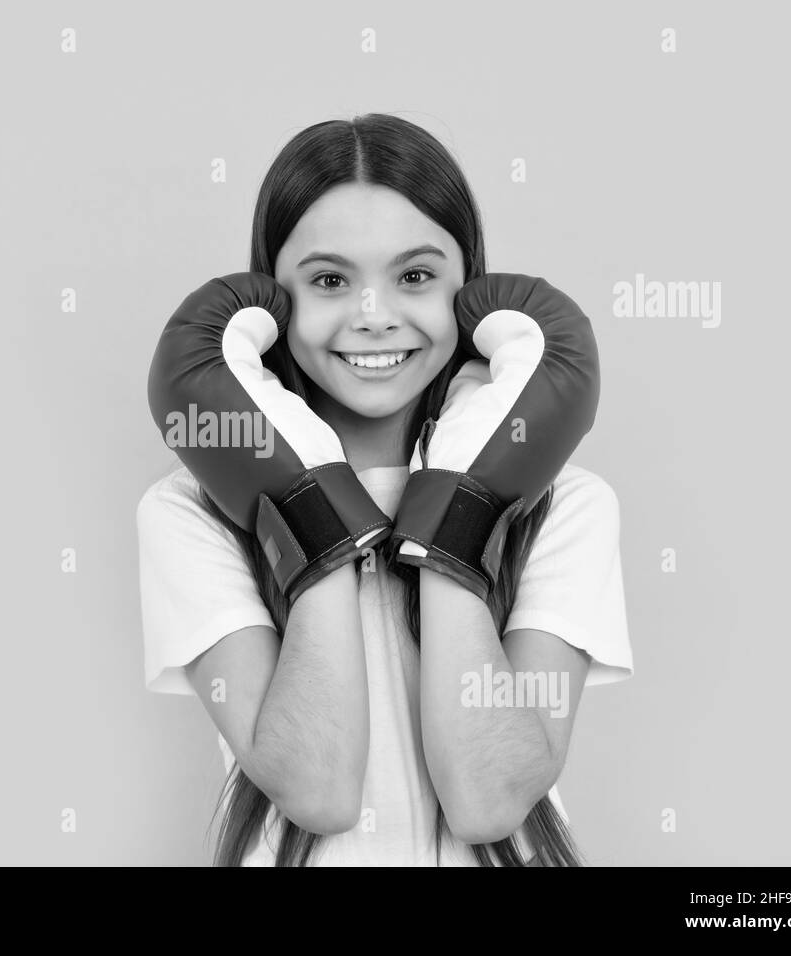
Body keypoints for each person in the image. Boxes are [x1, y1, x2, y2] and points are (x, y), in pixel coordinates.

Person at [137, 114, 633, 866]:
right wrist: (304, 498)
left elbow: (488, 800)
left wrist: (464, 504)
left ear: (475, 297)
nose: (374, 318)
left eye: (414, 276)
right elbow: (320, 791)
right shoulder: (190, 513)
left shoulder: (568, 504)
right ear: (268, 303)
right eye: (331, 280)